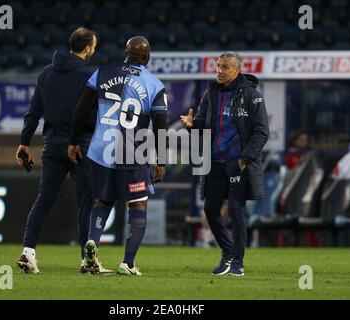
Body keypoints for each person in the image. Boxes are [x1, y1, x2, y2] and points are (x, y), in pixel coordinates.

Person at [68, 36, 168, 276]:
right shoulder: (154, 85)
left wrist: (73, 141)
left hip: (100, 150)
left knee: (103, 201)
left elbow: (81, 109)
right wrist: (161, 161)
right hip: (131, 152)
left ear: (126, 52)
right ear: (147, 56)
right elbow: (161, 127)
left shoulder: (102, 73)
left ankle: (90, 248)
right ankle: (128, 263)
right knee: (138, 205)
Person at [16, 27, 101, 274]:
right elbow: (93, 114)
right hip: (80, 146)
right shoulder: (90, 75)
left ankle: (28, 252)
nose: (94, 50)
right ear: (87, 48)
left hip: (51, 145)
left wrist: (24, 143)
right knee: (86, 201)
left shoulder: (46, 73)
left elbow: (33, 111)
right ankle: (87, 260)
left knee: (44, 199)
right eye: (94, 46)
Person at [180, 52, 269, 276]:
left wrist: (245, 158)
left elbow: (261, 131)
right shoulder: (211, 92)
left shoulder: (252, 95)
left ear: (237, 70)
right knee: (210, 209)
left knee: (236, 211)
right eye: (218, 66)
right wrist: (192, 125)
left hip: (237, 162)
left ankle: (237, 262)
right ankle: (227, 253)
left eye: (225, 67)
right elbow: (202, 122)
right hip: (214, 161)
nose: (219, 70)